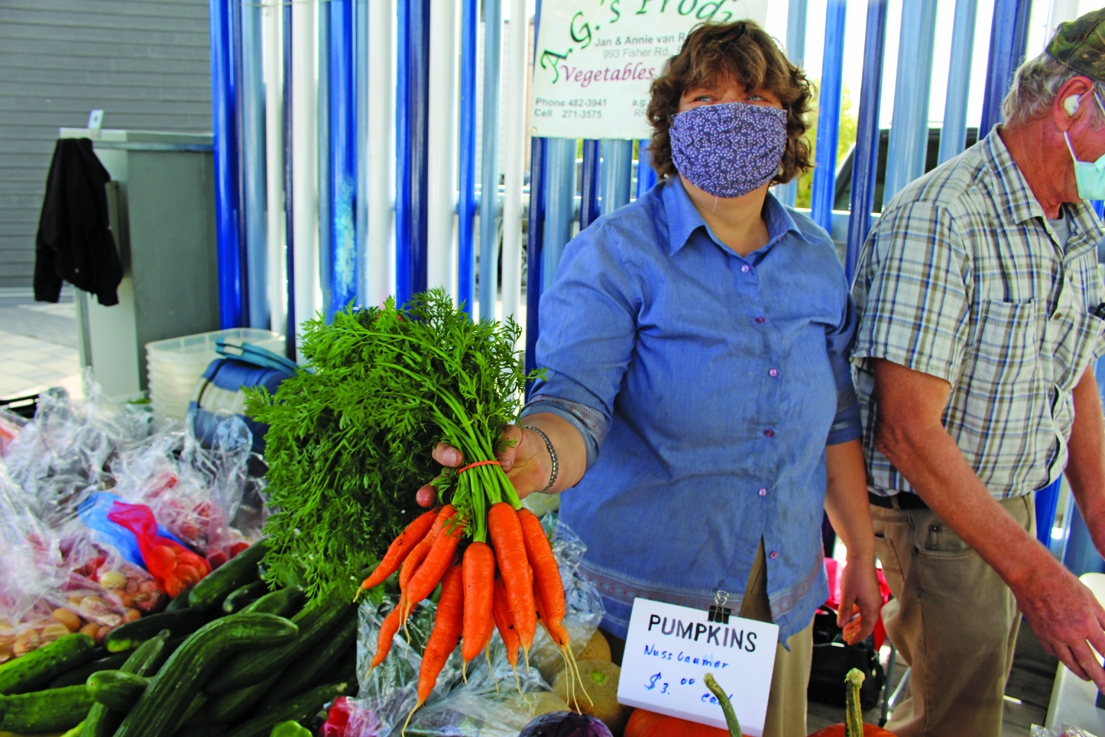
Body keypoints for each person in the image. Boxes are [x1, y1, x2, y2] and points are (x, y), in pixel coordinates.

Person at [418, 20, 882, 736]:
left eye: (755, 102)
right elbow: (574, 402)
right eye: (704, 102)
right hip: (647, 614)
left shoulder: (815, 257)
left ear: (785, 129)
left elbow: (838, 421)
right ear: (671, 125)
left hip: (779, 598)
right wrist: (533, 456)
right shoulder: (614, 254)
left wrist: (858, 549)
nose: (729, 120)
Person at [850, 9, 1105, 736]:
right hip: (939, 521)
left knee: (974, 709)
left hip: (1006, 511)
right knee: (953, 720)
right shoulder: (942, 217)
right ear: (1073, 101)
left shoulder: (1070, 219)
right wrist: (1034, 575)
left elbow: (1074, 368)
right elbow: (906, 429)